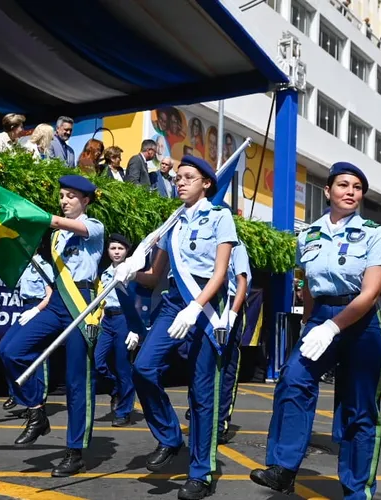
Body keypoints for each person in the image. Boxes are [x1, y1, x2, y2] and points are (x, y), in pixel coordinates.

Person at [250, 162, 381, 499]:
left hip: (360, 320)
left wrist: (332, 326)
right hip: (321, 316)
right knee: (293, 380)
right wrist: (310, 323)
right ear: (327, 191)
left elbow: (371, 293)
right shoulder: (309, 234)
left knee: (358, 409)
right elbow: (309, 284)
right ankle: (283, 468)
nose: (351, 192)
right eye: (343, 185)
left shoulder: (374, 232)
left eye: (357, 187)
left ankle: (357, 491)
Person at [115, 155, 238, 500]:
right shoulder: (172, 222)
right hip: (173, 304)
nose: (180, 182)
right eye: (178, 178)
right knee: (143, 367)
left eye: (188, 177)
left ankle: (201, 474)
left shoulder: (220, 216)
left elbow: (221, 272)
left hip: (207, 305)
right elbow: (155, 275)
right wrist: (128, 272)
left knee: (202, 393)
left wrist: (197, 307)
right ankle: (170, 437)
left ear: (206, 184)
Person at [0, 175, 105, 477]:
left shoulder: (94, 227)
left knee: (77, 381)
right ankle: (36, 411)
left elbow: (61, 223)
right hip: (57, 302)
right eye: (62, 196)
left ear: (85, 200)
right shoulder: (56, 236)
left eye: (71, 196)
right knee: (9, 349)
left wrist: (35, 215)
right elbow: (55, 276)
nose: (64, 200)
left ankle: (75, 451)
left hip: (80, 303)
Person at [0, 249, 53, 415]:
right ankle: (18, 393)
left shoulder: (43, 265)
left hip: (40, 309)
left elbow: (50, 295)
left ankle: (38, 401)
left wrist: (36, 310)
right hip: (25, 307)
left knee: (38, 356)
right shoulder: (22, 265)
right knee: (3, 350)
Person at [95, 234, 139, 427]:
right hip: (107, 320)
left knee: (123, 367)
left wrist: (135, 328)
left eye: (120, 248)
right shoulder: (105, 273)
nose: (116, 252)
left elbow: (139, 300)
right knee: (97, 362)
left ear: (127, 251)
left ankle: (124, 412)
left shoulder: (132, 271)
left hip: (124, 319)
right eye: (113, 248)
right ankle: (116, 390)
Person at [216, 241, 251, 443]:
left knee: (228, 366)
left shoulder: (236, 246)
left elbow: (241, 282)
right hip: (209, 302)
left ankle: (221, 423)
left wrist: (232, 313)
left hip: (231, 305)